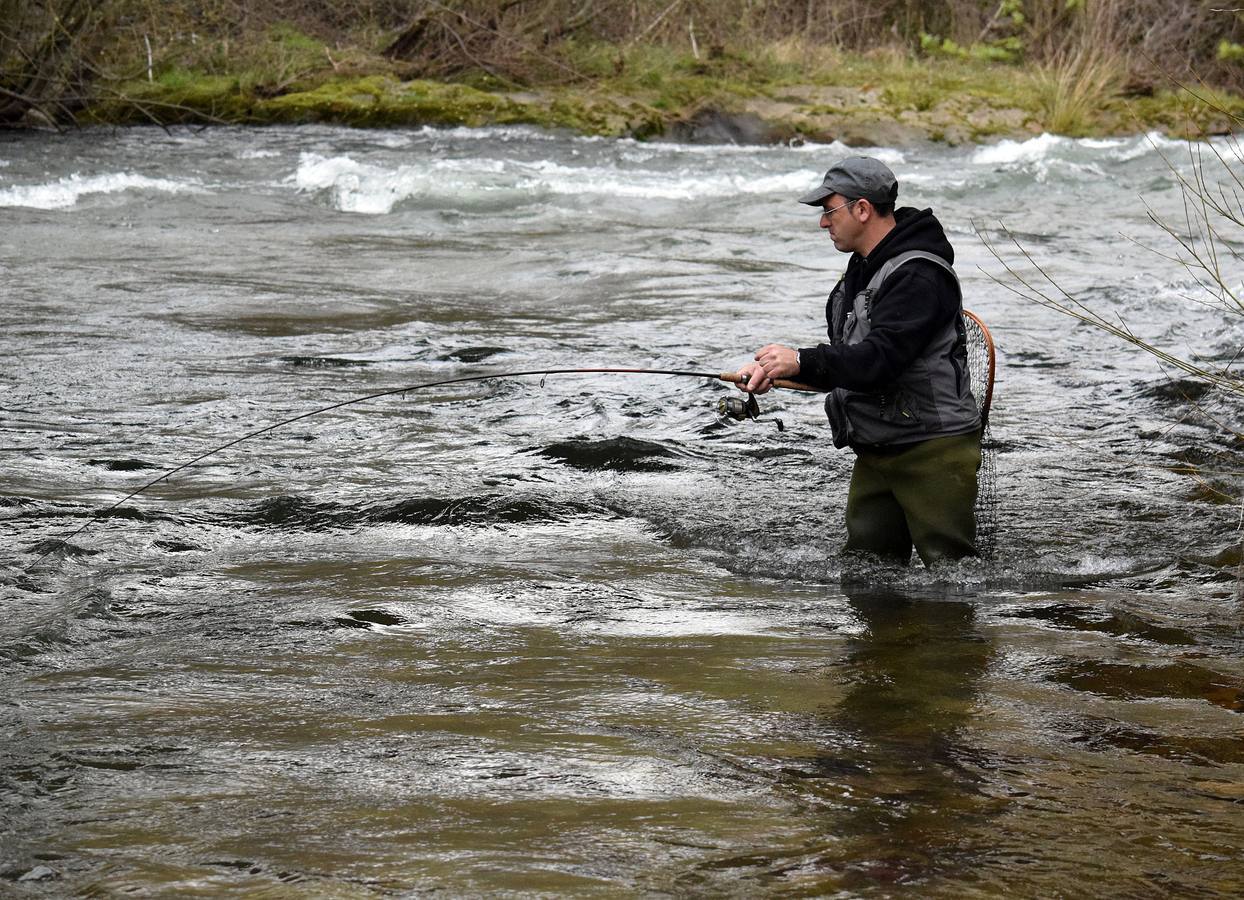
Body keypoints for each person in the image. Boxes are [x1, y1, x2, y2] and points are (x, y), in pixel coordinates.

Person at [738, 156, 981, 566]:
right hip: (878, 446)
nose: (823, 223)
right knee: (866, 571)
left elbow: (879, 360)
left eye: (828, 210)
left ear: (862, 209)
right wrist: (778, 374)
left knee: (953, 577)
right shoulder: (863, 270)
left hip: (933, 449)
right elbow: (852, 363)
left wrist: (800, 359)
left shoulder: (919, 275)